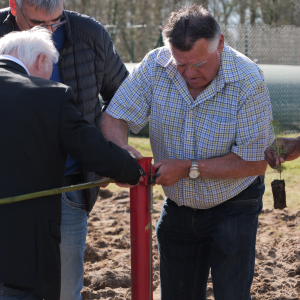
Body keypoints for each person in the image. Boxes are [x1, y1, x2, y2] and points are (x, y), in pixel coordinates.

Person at [101, 4, 274, 300]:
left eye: (199, 64)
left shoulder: (248, 79)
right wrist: (120, 153)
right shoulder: (155, 65)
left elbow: (256, 162)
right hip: (178, 205)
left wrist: (189, 168)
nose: (190, 73)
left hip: (233, 204)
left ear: (220, 43)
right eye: (181, 64)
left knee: (232, 294)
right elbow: (115, 115)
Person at [0, 28, 143, 300]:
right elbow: (91, 148)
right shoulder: (49, 96)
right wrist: (131, 170)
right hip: (21, 253)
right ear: (42, 60)